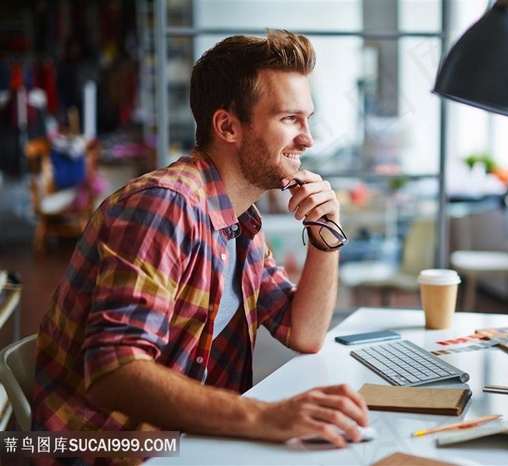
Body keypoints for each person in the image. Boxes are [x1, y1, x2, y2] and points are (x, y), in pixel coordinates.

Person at [33, 29, 368, 453]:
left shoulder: (240, 219)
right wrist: (266, 416)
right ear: (227, 126)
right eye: (289, 119)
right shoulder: (165, 206)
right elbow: (112, 370)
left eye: (307, 119)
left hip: (187, 442)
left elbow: (303, 332)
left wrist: (324, 237)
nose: (308, 138)